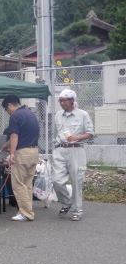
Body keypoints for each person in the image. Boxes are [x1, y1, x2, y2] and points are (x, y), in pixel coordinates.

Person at [52, 89, 94, 221]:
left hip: (76, 149)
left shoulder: (83, 115)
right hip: (60, 149)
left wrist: (77, 137)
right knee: (56, 180)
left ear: (72, 100)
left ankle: (77, 210)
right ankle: (66, 202)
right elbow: (55, 133)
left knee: (76, 181)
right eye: (60, 100)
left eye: (64, 100)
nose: (62, 103)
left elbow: (90, 133)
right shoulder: (58, 115)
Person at [1, 95, 39, 221]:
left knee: (18, 184)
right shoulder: (30, 114)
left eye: (7, 110)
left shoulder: (15, 116)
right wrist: (6, 145)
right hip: (34, 152)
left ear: (10, 105)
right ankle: (28, 211)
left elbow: (14, 135)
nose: (8, 112)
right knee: (27, 183)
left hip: (22, 153)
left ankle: (26, 213)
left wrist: (11, 153)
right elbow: (24, 134)